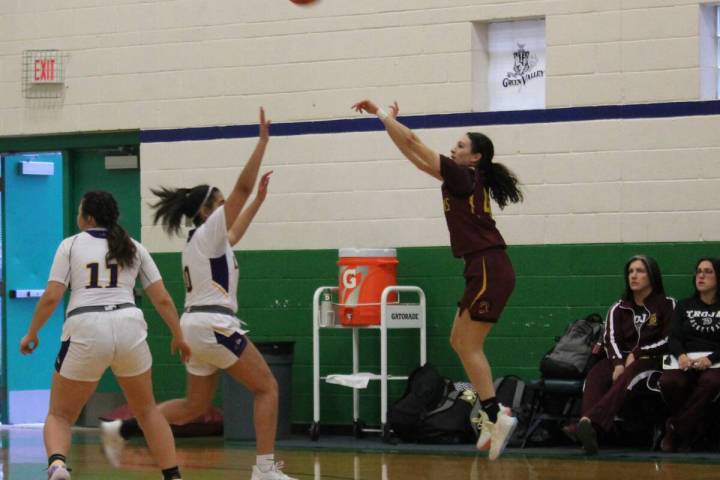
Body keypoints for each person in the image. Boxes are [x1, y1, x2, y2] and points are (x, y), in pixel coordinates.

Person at [101, 108, 295, 480]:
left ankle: (122, 429)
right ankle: (265, 469)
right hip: (213, 324)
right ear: (206, 211)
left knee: (194, 405)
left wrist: (258, 202)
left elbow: (236, 231)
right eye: (220, 205)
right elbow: (241, 189)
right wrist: (262, 144)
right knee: (267, 387)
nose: (227, 209)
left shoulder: (205, 240)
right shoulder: (208, 232)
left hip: (196, 326)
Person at [352, 99, 523, 460]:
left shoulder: (464, 176)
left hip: (490, 267)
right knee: (459, 341)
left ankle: (496, 416)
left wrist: (381, 114)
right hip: (482, 268)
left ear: (475, 157)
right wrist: (389, 126)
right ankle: (496, 414)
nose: (453, 149)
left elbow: (414, 142)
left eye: (460, 145)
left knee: (469, 346)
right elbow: (413, 154)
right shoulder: (462, 178)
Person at [20, 191, 191, 480]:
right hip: (129, 325)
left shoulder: (71, 245)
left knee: (60, 414)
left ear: (87, 217)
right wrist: (178, 334)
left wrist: (32, 332)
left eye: (79, 212)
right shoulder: (134, 247)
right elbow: (161, 298)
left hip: (86, 326)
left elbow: (51, 297)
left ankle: (58, 466)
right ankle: (172, 475)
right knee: (148, 412)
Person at [575, 255, 675, 454]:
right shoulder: (618, 308)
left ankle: (590, 424)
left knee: (634, 370)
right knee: (596, 373)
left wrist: (638, 353)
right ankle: (588, 427)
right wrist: (618, 363)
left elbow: (670, 339)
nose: (634, 276)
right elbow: (609, 340)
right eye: (630, 272)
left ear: (652, 276)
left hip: (650, 361)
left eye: (640, 271)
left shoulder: (667, 304)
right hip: (620, 359)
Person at [659, 258, 720, 452]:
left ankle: (675, 428)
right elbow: (674, 337)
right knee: (669, 382)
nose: (701, 276)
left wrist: (710, 359)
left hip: (715, 362)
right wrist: (682, 356)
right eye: (699, 271)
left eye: (708, 272)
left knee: (711, 382)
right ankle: (692, 428)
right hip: (686, 360)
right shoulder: (684, 305)